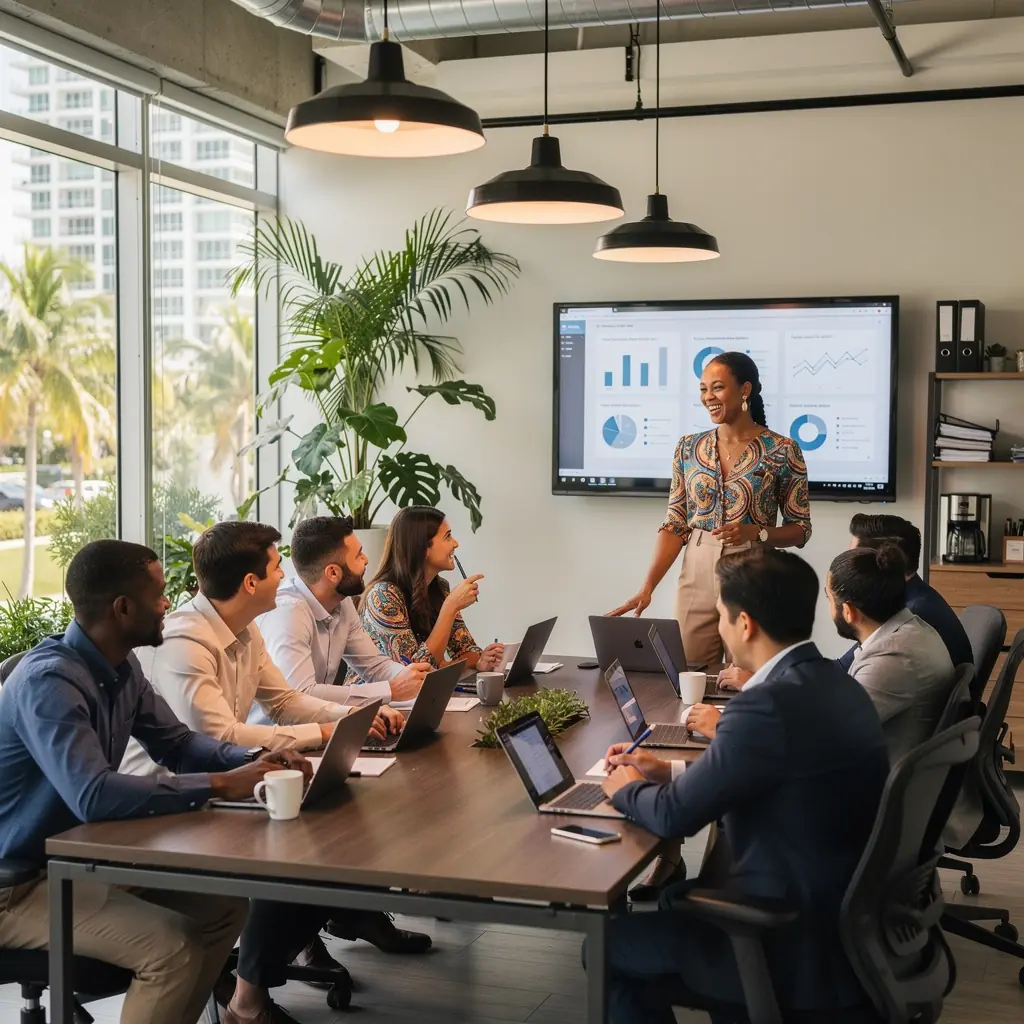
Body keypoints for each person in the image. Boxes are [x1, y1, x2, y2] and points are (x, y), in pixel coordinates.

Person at [120, 521, 421, 1024]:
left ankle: (249, 990)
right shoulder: (184, 643)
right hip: (167, 801)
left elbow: (282, 701)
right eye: (278, 566)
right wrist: (323, 736)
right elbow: (217, 740)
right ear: (250, 583)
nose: (286, 576)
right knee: (291, 856)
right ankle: (248, 1003)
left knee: (333, 840)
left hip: (228, 782)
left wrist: (352, 719)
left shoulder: (245, 628)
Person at [0, 540, 307, 1024]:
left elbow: (179, 744)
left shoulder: (122, 669)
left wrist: (254, 759)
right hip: (15, 886)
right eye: (160, 594)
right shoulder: (49, 682)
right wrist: (224, 784)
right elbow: (93, 794)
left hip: (71, 864)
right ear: (123, 608)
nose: (169, 603)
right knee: (172, 947)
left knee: (224, 907)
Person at [597, 547, 888, 1023]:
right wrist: (663, 771)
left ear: (745, 624)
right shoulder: (835, 683)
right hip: (840, 921)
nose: (719, 626)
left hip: (783, 937)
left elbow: (675, 817)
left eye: (721, 616)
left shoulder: (765, 706)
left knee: (608, 945)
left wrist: (626, 786)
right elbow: (772, 777)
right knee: (671, 907)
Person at [609, 352, 811, 680]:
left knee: (748, 675)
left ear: (745, 390)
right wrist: (648, 587)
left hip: (753, 570)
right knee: (686, 672)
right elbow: (675, 523)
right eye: (703, 389)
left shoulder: (783, 450)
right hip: (697, 566)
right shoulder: (687, 448)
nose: (708, 398)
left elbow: (800, 529)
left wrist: (756, 533)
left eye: (717, 388)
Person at [256, 515, 432, 709]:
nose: (366, 560)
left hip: (322, 727)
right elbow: (302, 694)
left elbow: (374, 666)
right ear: (332, 573)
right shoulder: (288, 613)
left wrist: (415, 681)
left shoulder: (341, 600)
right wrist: (390, 690)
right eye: (358, 555)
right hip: (275, 736)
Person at [827, 542, 956, 763]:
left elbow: (827, 736)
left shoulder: (892, 659)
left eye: (829, 599)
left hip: (875, 786)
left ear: (848, 612)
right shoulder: (912, 630)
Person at [356, 506, 504, 675]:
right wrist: (450, 607)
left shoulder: (439, 588)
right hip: (376, 700)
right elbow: (413, 673)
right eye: (448, 537)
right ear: (423, 548)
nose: (456, 543)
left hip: (418, 697)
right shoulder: (383, 596)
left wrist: (480, 661)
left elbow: (466, 651)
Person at [841, 512, 973, 671]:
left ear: (883, 561)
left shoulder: (909, 615)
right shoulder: (917, 597)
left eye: (854, 560)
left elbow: (845, 672)